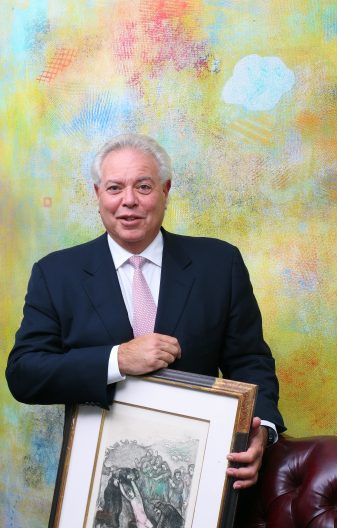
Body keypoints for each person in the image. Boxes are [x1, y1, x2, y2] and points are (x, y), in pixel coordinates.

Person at [6, 133, 285, 489]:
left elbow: (249, 362)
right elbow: (24, 374)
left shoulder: (219, 264)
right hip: (95, 482)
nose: (129, 201)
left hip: (198, 477)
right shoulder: (55, 273)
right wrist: (117, 360)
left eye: (143, 186)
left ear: (165, 191)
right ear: (97, 195)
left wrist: (262, 429)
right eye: (114, 188)